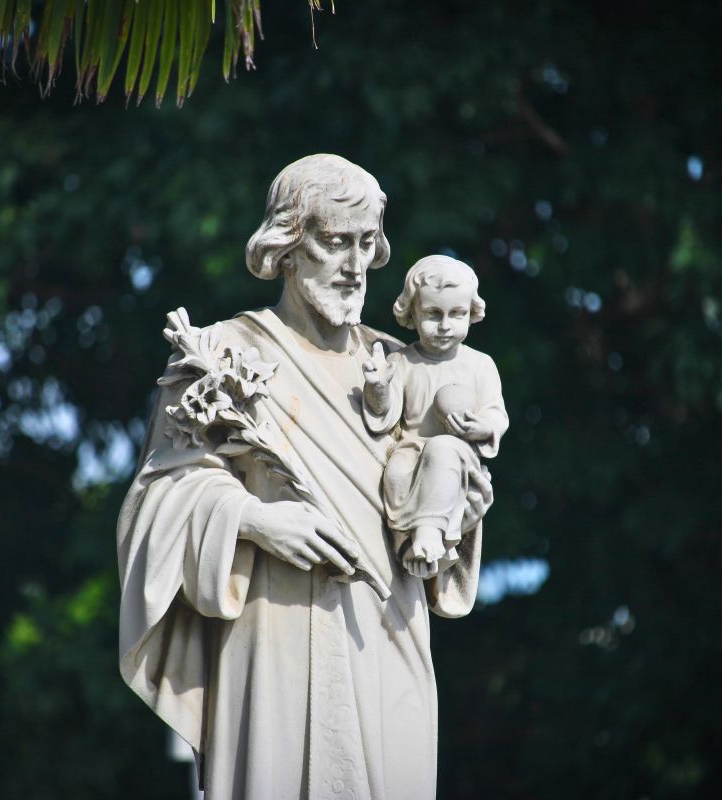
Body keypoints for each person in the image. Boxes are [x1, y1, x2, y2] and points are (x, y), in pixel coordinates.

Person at [116, 155, 484, 800]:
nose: (353, 266)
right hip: (272, 630)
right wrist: (256, 521)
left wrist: (458, 504)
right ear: (286, 245)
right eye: (335, 242)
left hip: (387, 629)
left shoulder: (399, 367)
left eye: (367, 245)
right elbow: (157, 498)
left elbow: (448, 493)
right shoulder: (222, 356)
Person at [361, 255, 509, 580]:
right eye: (432, 314)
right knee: (396, 473)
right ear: (411, 314)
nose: (444, 325)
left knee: (442, 449)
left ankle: (429, 533)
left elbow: (497, 416)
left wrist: (481, 426)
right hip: (410, 452)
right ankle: (410, 541)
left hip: (456, 458)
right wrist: (378, 387)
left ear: (471, 313)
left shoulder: (479, 364)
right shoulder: (402, 362)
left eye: (456, 314)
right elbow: (385, 415)